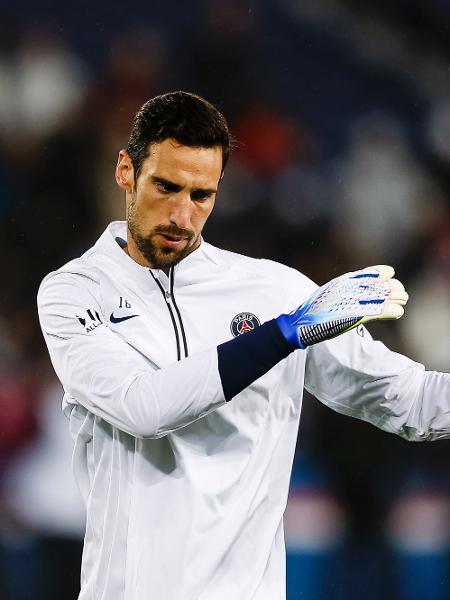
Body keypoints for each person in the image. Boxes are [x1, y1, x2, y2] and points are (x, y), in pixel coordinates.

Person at [37, 91, 450, 600]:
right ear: (126, 170)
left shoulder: (275, 291)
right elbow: (143, 407)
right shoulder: (73, 291)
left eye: (201, 195)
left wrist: (287, 327)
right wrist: (280, 336)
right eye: (166, 187)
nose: (181, 216)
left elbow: (412, 400)